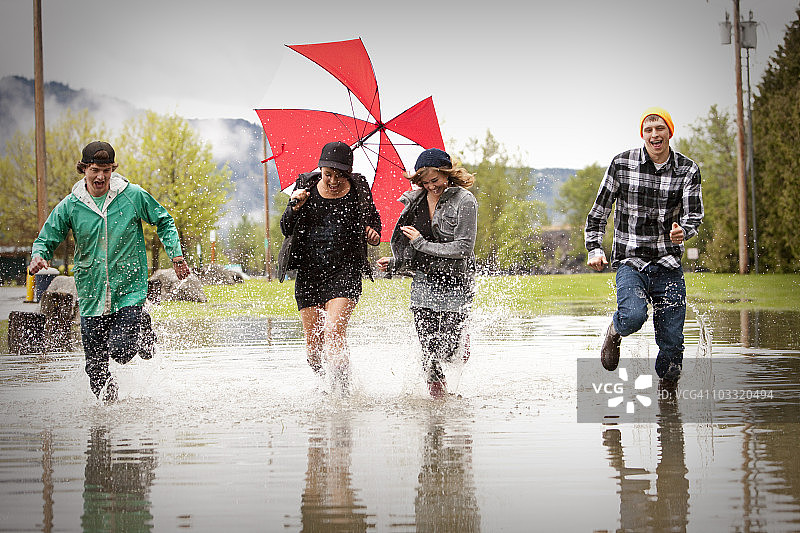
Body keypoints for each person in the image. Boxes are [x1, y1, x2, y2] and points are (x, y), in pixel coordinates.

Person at [29, 141, 189, 403]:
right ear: (84, 170)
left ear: (112, 169)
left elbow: (164, 220)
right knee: (95, 370)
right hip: (91, 295)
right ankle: (107, 418)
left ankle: (142, 325)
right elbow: (48, 236)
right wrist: (39, 255)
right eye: (94, 170)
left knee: (122, 350)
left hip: (128, 290)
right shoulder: (71, 205)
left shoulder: (132, 195)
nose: (100, 177)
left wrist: (176, 255)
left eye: (106, 170)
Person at [585, 107, 704, 388]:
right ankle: (615, 332)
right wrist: (595, 249)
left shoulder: (687, 169)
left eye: (660, 129)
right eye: (648, 130)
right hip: (631, 261)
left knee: (673, 348)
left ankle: (668, 405)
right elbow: (599, 213)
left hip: (668, 264)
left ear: (669, 133)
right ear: (643, 134)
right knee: (634, 316)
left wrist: (682, 231)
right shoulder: (622, 164)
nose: (654, 134)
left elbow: (694, 215)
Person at [278, 141, 381, 392]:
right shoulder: (305, 191)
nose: (333, 180)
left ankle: (342, 393)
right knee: (314, 346)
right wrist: (294, 206)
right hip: (309, 273)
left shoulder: (359, 191)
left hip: (345, 271)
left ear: (348, 172)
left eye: (340, 175)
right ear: (320, 169)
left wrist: (374, 232)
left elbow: (375, 221)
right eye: (328, 174)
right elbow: (284, 228)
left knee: (334, 331)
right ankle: (326, 384)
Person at [377, 148, 477, 399]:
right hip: (423, 281)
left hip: (456, 281)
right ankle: (438, 398)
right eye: (425, 181)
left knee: (449, 350)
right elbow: (411, 247)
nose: (431, 186)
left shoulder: (465, 201)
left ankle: (461, 342)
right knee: (429, 348)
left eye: (436, 180)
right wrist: (395, 262)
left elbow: (464, 247)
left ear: (448, 174)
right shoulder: (414, 201)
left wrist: (422, 243)